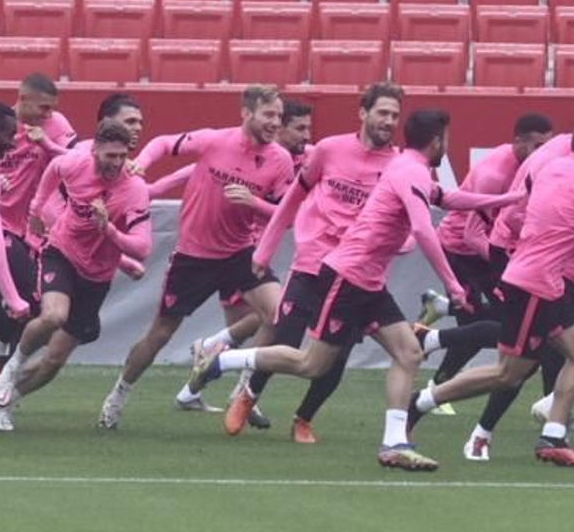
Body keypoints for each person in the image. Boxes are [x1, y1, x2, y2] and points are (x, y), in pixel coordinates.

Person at [192, 109, 523, 472]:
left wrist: (508, 199)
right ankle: (220, 359)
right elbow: (424, 230)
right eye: (445, 138)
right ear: (436, 141)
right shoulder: (409, 169)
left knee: (409, 352)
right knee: (311, 363)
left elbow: (450, 198)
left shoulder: (409, 167)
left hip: (368, 281)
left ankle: (394, 443)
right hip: (347, 276)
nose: (447, 144)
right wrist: (453, 285)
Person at [406, 117, 574, 468]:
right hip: (535, 285)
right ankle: (420, 402)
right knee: (507, 373)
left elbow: (527, 209)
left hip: (540, 280)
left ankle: (553, 437)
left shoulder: (553, 167)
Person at [193, 84, 402, 443]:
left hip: (355, 272)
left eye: (395, 115)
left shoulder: (398, 165)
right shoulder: (329, 150)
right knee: (285, 335)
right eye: (383, 112)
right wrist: (264, 252)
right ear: (363, 112)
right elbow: (292, 200)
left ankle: (303, 419)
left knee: (338, 353)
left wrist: (404, 241)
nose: (389, 121)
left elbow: (405, 220)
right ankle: (248, 394)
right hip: (313, 262)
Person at [92, 85, 295, 431]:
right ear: (246, 113)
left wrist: (253, 203)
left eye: (279, 115)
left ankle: (243, 391)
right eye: (268, 115)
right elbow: (161, 143)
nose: (275, 122)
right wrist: (141, 163)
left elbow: (283, 214)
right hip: (193, 256)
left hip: (240, 253)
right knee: (159, 334)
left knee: (279, 314)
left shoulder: (280, 160)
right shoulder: (214, 141)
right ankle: (117, 395)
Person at [0, 120, 152, 428]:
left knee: (53, 362)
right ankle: (12, 366)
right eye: (110, 156)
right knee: (53, 316)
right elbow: (53, 170)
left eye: (122, 156)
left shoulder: (134, 189)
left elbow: (142, 247)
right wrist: (36, 209)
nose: (116, 163)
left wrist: (110, 231)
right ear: (95, 151)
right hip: (61, 253)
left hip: (98, 274)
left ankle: (5, 401)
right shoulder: (75, 163)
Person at [168, 97, 314, 427]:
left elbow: (291, 213)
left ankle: (212, 377)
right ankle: (237, 387)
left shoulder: (297, 159)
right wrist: (149, 189)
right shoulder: (248, 153)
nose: (306, 135)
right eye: (299, 128)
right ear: (279, 127)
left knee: (266, 320)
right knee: (270, 319)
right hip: (239, 250)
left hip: (256, 251)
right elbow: (188, 170)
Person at [425, 113, 554, 387]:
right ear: (518, 142)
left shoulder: (532, 168)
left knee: (511, 321)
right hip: (459, 251)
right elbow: (472, 235)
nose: (543, 154)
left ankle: (443, 310)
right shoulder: (494, 175)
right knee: (479, 328)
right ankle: (437, 385)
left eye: (547, 146)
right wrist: (513, 267)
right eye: (538, 147)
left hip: (489, 251)